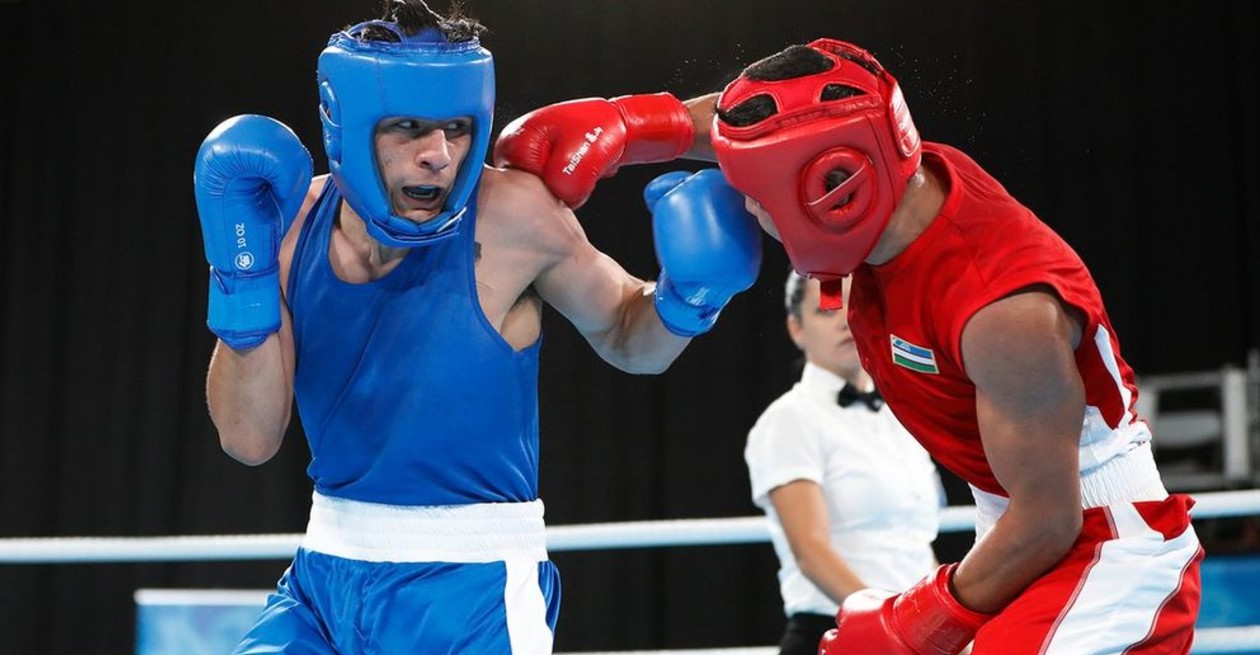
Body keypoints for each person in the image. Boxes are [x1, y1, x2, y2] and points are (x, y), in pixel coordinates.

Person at [493, 37, 1203, 655]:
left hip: (1096, 541)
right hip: (1017, 530)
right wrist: (639, 124)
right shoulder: (890, 180)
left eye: (759, 195)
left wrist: (919, 621)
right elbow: (788, 116)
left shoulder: (1003, 309)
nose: (746, 209)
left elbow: (1050, 518)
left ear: (834, 194)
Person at [190, 1, 762, 653]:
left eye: (457, 128)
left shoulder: (513, 214)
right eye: (408, 127)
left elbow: (632, 340)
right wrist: (243, 275)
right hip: (324, 576)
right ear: (347, 125)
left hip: (472, 588)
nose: (439, 155)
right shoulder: (293, 225)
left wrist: (689, 296)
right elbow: (248, 438)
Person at [746, 271, 942, 655]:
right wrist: (890, 625)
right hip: (834, 632)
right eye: (825, 310)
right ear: (796, 329)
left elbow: (914, 544)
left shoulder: (902, 414)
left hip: (912, 636)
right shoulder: (789, 419)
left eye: (855, 306)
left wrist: (941, 623)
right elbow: (811, 552)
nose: (843, 320)